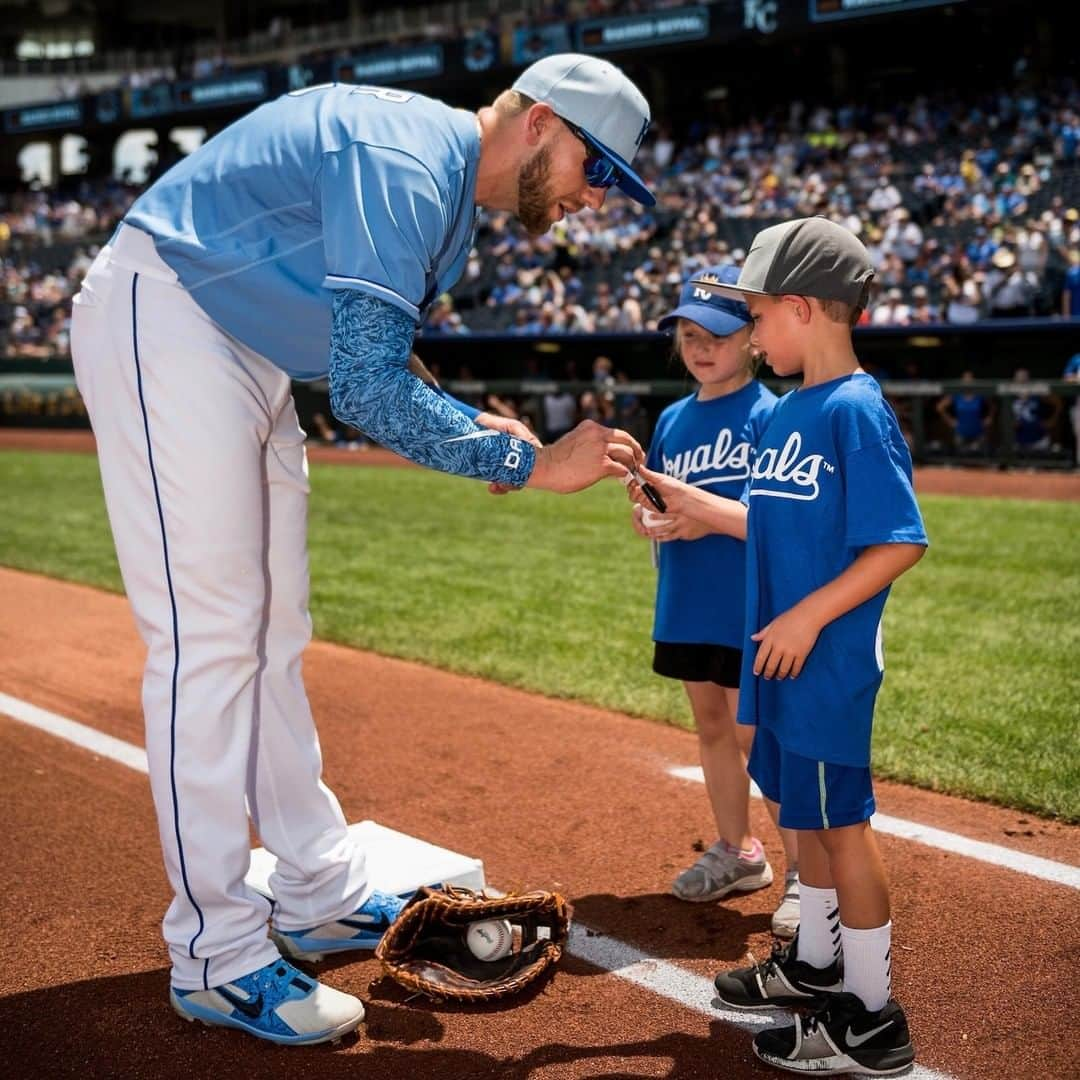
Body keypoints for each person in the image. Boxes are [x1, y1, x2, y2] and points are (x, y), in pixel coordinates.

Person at [69, 53, 651, 1047]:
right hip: (168, 310)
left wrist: (479, 422)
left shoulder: (440, 187)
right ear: (542, 122)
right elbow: (370, 391)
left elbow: (373, 349)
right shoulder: (409, 157)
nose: (598, 199)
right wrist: (525, 463)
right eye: (598, 169)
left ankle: (316, 889)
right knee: (209, 637)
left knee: (273, 630)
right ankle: (214, 953)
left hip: (244, 350)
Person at [628, 218, 927, 1076]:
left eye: (756, 315)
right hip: (776, 657)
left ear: (801, 308)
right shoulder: (792, 407)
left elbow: (898, 541)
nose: (749, 332)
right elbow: (770, 525)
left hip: (821, 659)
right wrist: (686, 514)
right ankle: (817, 963)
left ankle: (871, 1017)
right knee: (802, 816)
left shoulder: (855, 410)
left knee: (841, 830)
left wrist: (806, 617)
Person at [632, 264, 799, 938]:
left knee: (758, 736)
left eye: (720, 336)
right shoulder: (672, 418)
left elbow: (777, 520)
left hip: (746, 603)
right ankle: (738, 851)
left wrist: (704, 514)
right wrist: (650, 517)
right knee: (710, 726)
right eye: (691, 334)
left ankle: (804, 872)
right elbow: (655, 507)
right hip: (688, 597)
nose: (702, 348)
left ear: (754, 341)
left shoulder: (774, 414)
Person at [935, 370, 995, 454]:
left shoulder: (979, 394)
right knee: (962, 456)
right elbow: (940, 407)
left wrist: (989, 418)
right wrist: (950, 421)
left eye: (970, 380)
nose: (968, 383)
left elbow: (992, 406)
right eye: (965, 380)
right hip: (961, 433)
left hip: (978, 433)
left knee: (978, 455)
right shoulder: (956, 395)